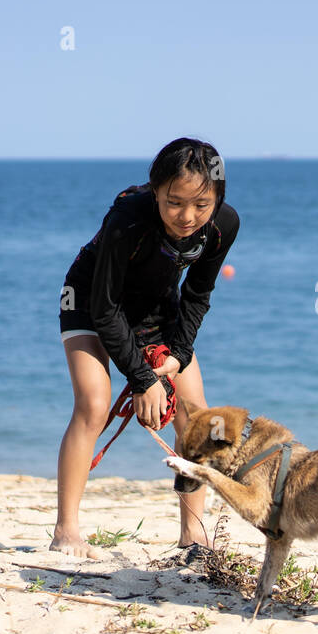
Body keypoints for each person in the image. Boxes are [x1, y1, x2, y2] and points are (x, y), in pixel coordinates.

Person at [53, 137, 239, 560]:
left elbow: (196, 295)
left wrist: (177, 355)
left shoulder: (223, 225)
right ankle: (66, 530)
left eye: (202, 205)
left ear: (218, 200)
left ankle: (193, 534)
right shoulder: (128, 218)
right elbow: (104, 307)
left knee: (194, 413)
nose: (187, 216)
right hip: (90, 298)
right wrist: (142, 380)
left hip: (157, 308)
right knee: (93, 404)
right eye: (174, 202)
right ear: (155, 190)